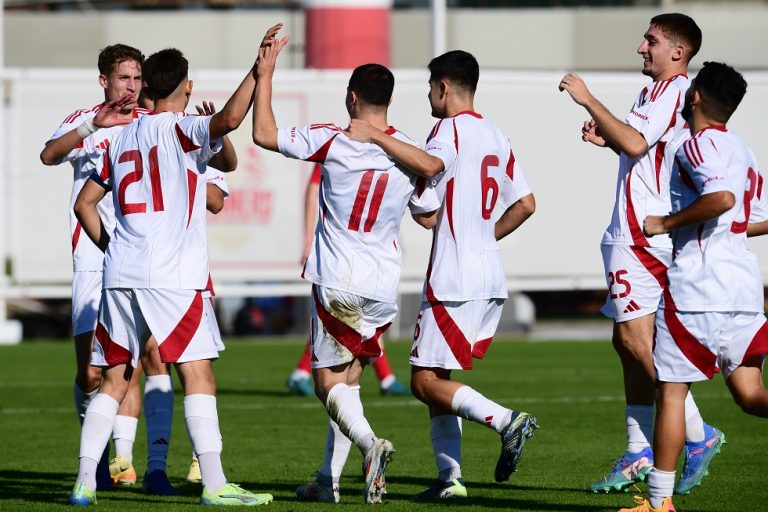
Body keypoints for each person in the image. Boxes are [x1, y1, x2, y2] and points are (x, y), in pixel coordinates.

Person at [67, 25, 284, 507]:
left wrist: (114, 248)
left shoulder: (119, 138)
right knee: (198, 374)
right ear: (186, 87)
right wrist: (258, 70)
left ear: (144, 87)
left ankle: (84, 481)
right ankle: (214, 484)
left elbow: (86, 204)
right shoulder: (181, 127)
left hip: (121, 274)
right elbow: (227, 120)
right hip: (173, 277)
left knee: (114, 377)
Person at [252, 32, 439, 503]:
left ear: (352, 97)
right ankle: (327, 481)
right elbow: (430, 202)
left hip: (338, 278)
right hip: (382, 283)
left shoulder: (332, 139)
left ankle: (370, 445)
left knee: (327, 384)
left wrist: (266, 75)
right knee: (350, 382)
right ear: (390, 100)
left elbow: (264, 133)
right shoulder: (409, 149)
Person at [345, 49, 538, 500]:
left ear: (445, 87)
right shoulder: (495, 134)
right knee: (440, 377)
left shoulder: (447, 130)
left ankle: (505, 420)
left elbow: (429, 174)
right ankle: (449, 479)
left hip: (454, 276)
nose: (429, 94)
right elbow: (526, 204)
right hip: (489, 273)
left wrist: (376, 136)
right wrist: (484, 235)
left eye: (431, 86)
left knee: (422, 382)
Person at [559, 13, 724, 494]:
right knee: (625, 343)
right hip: (629, 230)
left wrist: (587, 98)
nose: (640, 48)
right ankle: (637, 450)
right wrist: (606, 138)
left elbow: (634, 139)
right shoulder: (654, 93)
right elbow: (640, 150)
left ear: (678, 52)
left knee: (637, 342)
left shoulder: (675, 90)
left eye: (650, 40)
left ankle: (697, 434)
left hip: (642, 235)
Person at [620, 61, 768, 512]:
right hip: (743, 290)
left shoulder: (696, 144)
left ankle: (659, 503)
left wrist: (665, 222)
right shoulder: (742, 149)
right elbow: (751, 216)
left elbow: (720, 199)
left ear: (697, 97)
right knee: (749, 395)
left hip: (699, 290)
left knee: (671, 392)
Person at [40, 44, 149, 491]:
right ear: (104, 80)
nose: (132, 87)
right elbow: (48, 155)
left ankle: (120, 461)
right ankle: (98, 453)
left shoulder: (149, 123)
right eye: (124, 78)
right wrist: (92, 126)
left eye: (137, 78)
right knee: (89, 372)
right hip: (90, 258)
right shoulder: (85, 119)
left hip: (135, 259)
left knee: (129, 365)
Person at [286, 162, 410, 398]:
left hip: (368, 255)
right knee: (349, 320)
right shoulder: (338, 148)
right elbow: (313, 191)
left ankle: (301, 373)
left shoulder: (382, 149)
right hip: (345, 256)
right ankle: (385, 381)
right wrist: (308, 239)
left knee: (348, 321)